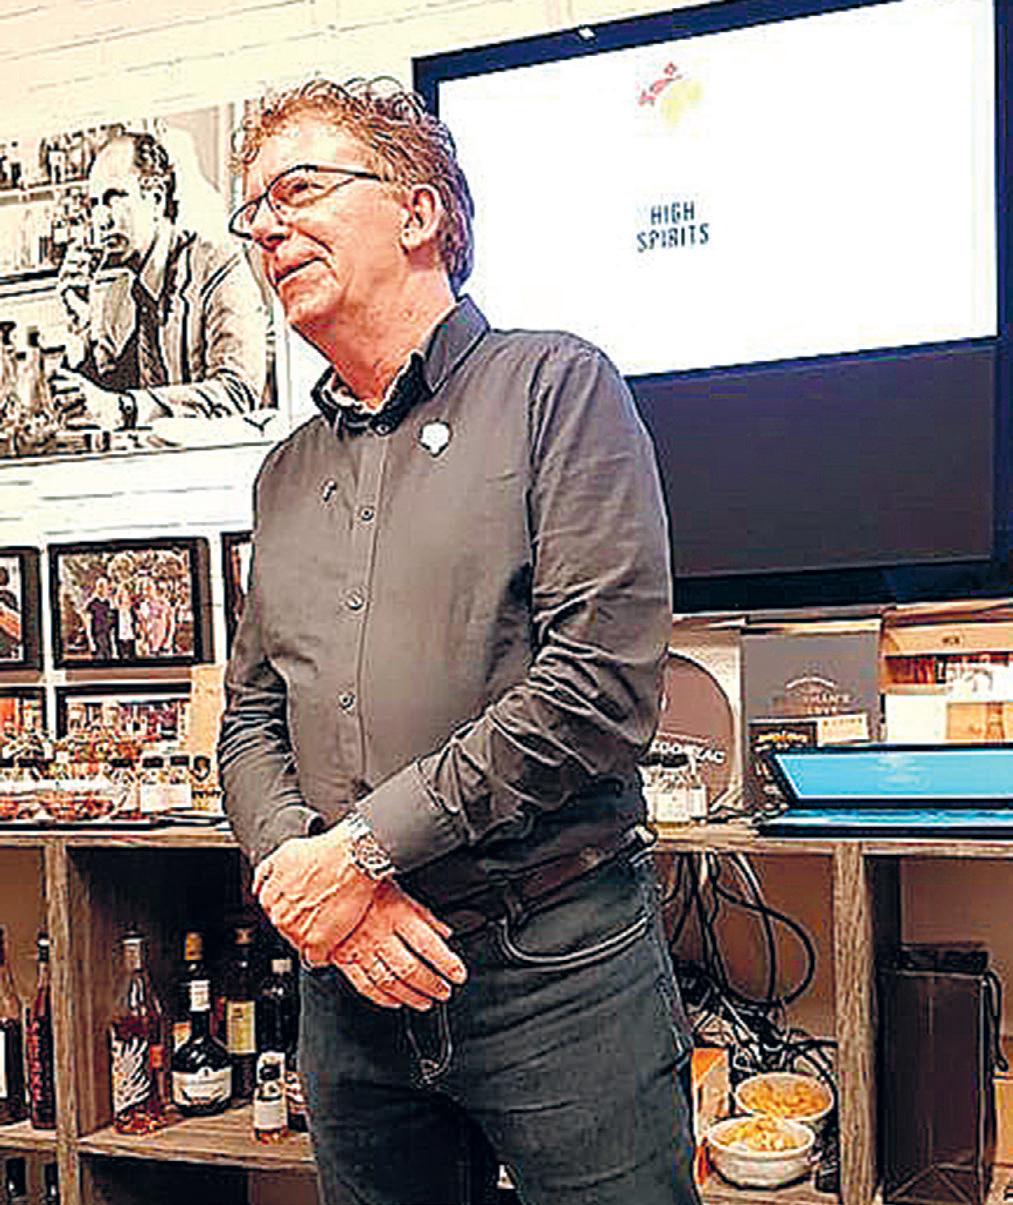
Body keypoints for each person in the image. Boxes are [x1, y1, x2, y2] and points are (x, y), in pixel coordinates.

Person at [218, 78, 698, 1205]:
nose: (267, 229)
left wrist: (360, 852)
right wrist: (312, 881)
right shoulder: (284, 472)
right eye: (254, 211)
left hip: (556, 971)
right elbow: (251, 718)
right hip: (350, 983)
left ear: (420, 212)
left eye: (299, 189)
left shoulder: (555, 387)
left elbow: (596, 687)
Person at [54, 130, 268, 434]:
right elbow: (102, 398)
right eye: (95, 205)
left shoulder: (219, 265)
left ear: (156, 198)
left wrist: (126, 409)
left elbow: (238, 393)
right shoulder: (116, 294)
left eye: (114, 199)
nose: (101, 220)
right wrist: (80, 325)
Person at [83, 576, 115, 660]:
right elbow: (87, 617)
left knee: (108, 652)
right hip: (97, 631)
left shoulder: (108, 602)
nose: (105, 589)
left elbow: (112, 616)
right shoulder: (92, 602)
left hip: (107, 631)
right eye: (102, 587)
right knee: (100, 653)